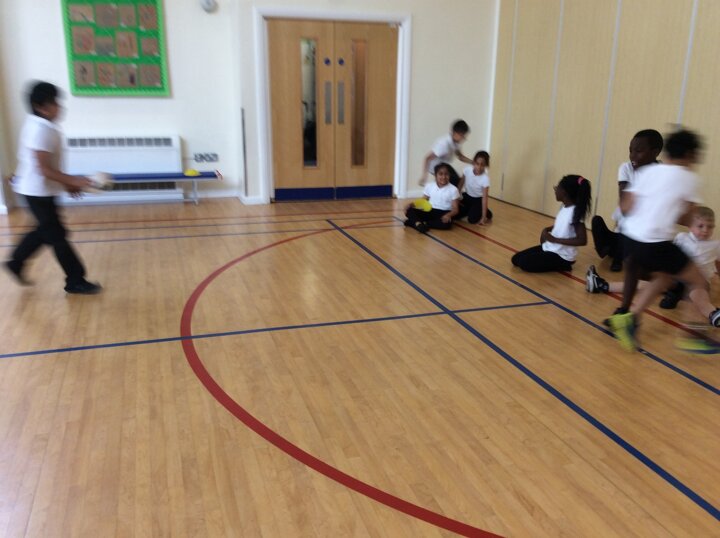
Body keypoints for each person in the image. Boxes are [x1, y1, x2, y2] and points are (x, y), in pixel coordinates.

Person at [607, 129, 720, 351]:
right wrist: (674, 213)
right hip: (654, 243)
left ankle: (630, 319)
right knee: (698, 281)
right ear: (689, 154)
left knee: (665, 277)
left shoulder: (648, 172)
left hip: (628, 239)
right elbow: (689, 219)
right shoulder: (688, 177)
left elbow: (625, 207)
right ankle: (694, 335)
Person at [4, 81, 101, 294]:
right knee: (56, 235)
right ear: (40, 107)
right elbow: (44, 169)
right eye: (54, 103)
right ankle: (75, 280)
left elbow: (48, 168)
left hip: (38, 189)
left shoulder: (40, 125)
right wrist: (74, 181)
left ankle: (16, 262)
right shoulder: (41, 130)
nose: (59, 107)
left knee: (48, 231)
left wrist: (67, 184)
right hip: (37, 191)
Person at [587, 206, 720, 309]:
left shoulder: (716, 245)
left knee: (698, 295)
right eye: (700, 226)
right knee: (647, 284)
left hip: (698, 284)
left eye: (709, 227)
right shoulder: (682, 238)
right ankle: (602, 285)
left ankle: (712, 313)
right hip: (677, 281)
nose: (705, 230)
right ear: (690, 226)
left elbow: (718, 264)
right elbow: (672, 259)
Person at [591, 129, 663, 272]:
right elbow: (624, 202)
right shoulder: (626, 168)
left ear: (655, 152)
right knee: (600, 222)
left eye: (638, 151)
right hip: (625, 228)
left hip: (644, 233)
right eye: (630, 151)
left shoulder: (661, 171)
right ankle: (616, 254)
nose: (632, 155)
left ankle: (621, 254)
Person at [511, 175, 592, 272]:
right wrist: (547, 229)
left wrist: (555, 239)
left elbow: (582, 240)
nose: (555, 190)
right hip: (552, 248)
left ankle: (563, 265)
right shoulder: (564, 207)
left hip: (562, 256)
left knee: (524, 263)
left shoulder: (575, 212)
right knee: (516, 259)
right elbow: (562, 225)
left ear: (564, 192)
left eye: (557, 188)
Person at [405, 163, 461, 233]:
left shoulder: (453, 189)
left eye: (446, 174)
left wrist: (448, 215)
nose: (444, 177)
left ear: (449, 175)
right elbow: (423, 200)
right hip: (430, 211)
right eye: (440, 174)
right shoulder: (430, 186)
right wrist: (412, 204)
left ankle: (418, 223)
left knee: (446, 224)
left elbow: (455, 209)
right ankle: (419, 224)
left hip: (443, 213)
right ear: (435, 175)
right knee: (409, 210)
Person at [418, 120, 473, 186]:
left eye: (464, 136)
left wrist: (473, 162)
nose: (463, 139)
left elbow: (460, 156)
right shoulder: (443, 144)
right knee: (448, 183)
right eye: (462, 136)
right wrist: (424, 177)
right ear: (455, 133)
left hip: (444, 164)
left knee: (457, 182)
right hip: (435, 168)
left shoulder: (457, 143)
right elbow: (427, 158)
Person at [456, 151, 493, 224]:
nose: (479, 167)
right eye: (477, 164)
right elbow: (460, 185)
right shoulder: (467, 170)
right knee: (456, 215)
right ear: (474, 162)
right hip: (468, 196)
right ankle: (471, 209)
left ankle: (486, 212)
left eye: (482, 165)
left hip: (478, 200)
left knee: (472, 220)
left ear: (486, 165)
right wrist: (456, 198)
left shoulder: (485, 179)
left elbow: (484, 198)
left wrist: (483, 217)